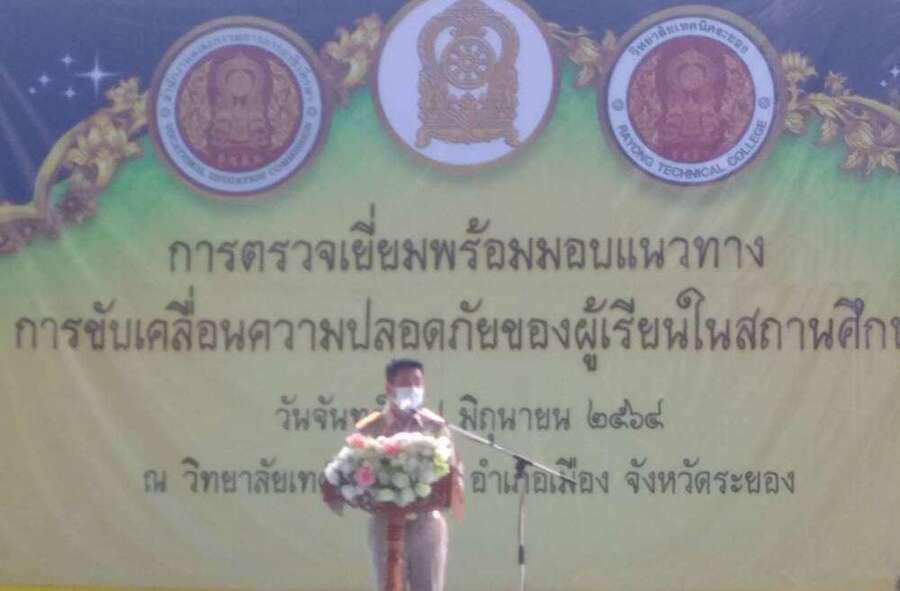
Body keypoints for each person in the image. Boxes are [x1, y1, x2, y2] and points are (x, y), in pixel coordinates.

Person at [322, 359, 465, 591]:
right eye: (406, 383)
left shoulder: (435, 426)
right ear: (389, 388)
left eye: (418, 383)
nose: (414, 388)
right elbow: (352, 467)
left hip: (427, 521)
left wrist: (453, 479)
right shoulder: (371, 426)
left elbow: (454, 470)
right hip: (384, 522)